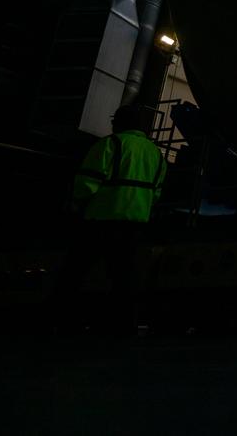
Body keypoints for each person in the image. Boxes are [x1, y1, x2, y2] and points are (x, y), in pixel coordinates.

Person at [54, 104, 167, 334]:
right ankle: (122, 325)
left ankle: (63, 320)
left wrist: (75, 204)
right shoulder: (155, 154)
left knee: (74, 273)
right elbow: (156, 192)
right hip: (135, 223)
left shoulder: (110, 144)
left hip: (101, 220)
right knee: (125, 278)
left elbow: (87, 182)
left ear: (119, 122)